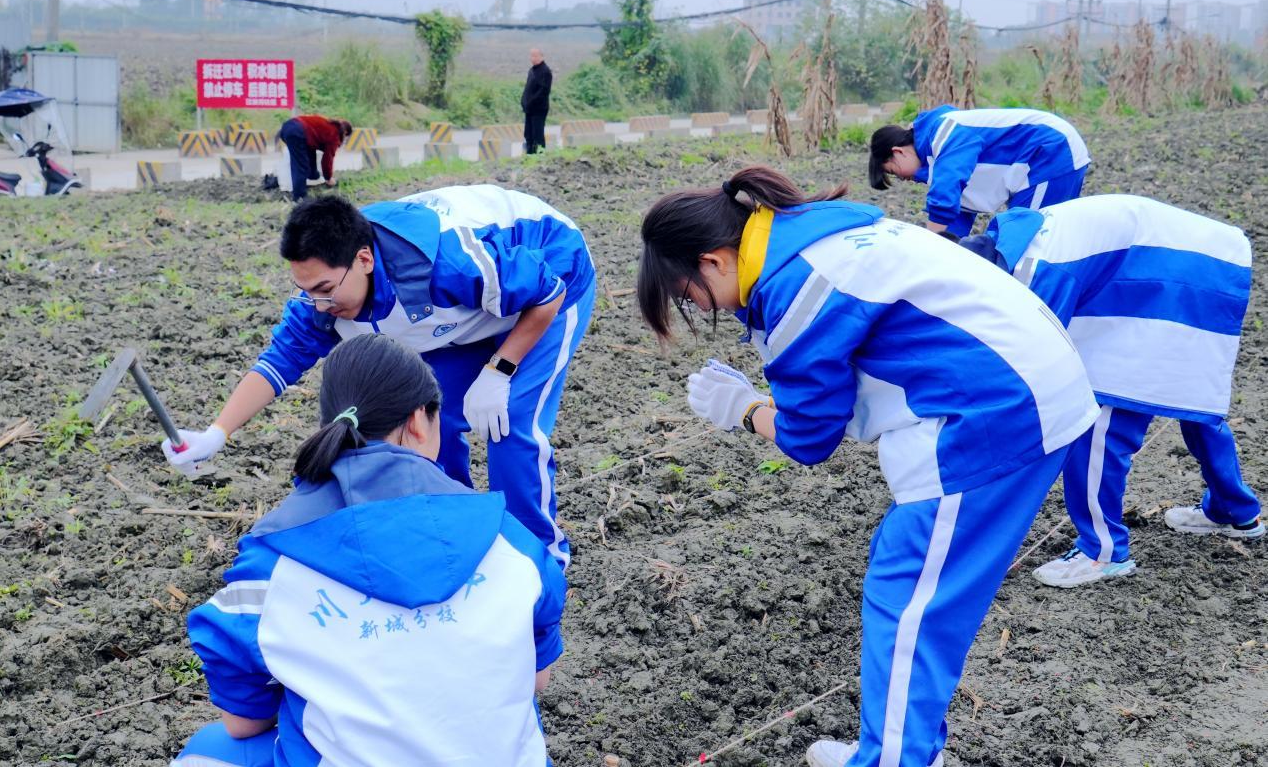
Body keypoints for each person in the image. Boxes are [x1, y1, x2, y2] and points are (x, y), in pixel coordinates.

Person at [636, 166, 1099, 767]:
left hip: (991, 412)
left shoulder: (796, 284)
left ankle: (896, 759)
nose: (695, 307)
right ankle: (901, 748)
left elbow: (809, 437)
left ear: (715, 261)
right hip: (1024, 385)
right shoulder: (813, 235)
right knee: (924, 596)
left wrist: (746, 409)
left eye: (685, 295)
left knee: (909, 601)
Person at [170, 334, 567, 767]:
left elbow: (243, 723)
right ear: (420, 420)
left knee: (213, 750)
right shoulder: (514, 543)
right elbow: (536, 680)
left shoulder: (272, 563)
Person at [162, 187, 595, 568]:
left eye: (326, 289)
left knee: (511, 423)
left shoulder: (443, 264)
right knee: (420, 425)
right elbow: (278, 363)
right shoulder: (322, 300)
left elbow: (547, 291)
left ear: (364, 260)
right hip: (465, 315)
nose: (318, 303)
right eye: (306, 289)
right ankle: (456, 534)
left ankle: (538, 558)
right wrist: (217, 433)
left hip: (549, 281)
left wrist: (499, 369)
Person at [957, 194, 1263, 588]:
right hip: (1207, 265)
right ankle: (1236, 511)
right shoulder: (1021, 239)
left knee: (1100, 420)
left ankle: (1102, 552)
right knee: (1192, 398)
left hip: (1164, 277)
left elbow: (1037, 360)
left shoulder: (1040, 269)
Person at [869, 105, 1091, 238]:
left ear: (898, 152)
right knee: (1028, 239)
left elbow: (947, 190)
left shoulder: (941, 132)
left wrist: (932, 244)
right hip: (1042, 159)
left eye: (896, 173)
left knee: (1028, 240)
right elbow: (957, 213)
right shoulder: (936, 154)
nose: (904, 179)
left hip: (1050, 151)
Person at [276, 115, 352, 202]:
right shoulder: (334, 135)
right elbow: (327, 159)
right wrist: (328, 178)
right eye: (346, 137)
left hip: (288, 127)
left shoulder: (328, 125)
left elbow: (312, 145)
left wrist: (316, 175)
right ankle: (299, 196)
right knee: (301, 165)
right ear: (345, 132)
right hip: (297, 132)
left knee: (310, 151)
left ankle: (313, 176)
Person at [521, 48, 552, 155]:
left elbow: (543, 91)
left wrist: (530, 102)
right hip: (529, 109)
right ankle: (529, 156)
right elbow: (528, 88)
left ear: (541, 57)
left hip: (538, 109)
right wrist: (524, 101)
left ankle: (540, 157)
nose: (532, 58)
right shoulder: (532, 70)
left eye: (535, 56)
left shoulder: (545, 71)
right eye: (531, 55)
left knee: (537, 135)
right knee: (528, 134)